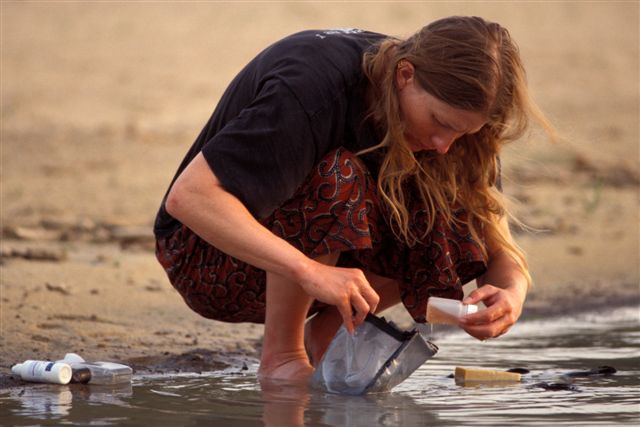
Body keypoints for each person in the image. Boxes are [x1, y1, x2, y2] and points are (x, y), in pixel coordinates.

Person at [154, 16, 555, 383]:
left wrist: (510, 296)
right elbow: (189, 198)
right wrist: (309, 271)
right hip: (207, 260)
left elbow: (496, 245)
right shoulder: (312, 87)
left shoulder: (460, 126)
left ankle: (333, 329)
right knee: (339, 175)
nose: (444, 143)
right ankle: (283, 356)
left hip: (320, 282)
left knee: (452, 198)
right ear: (405, 75)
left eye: (462, 133)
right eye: (440, 122)